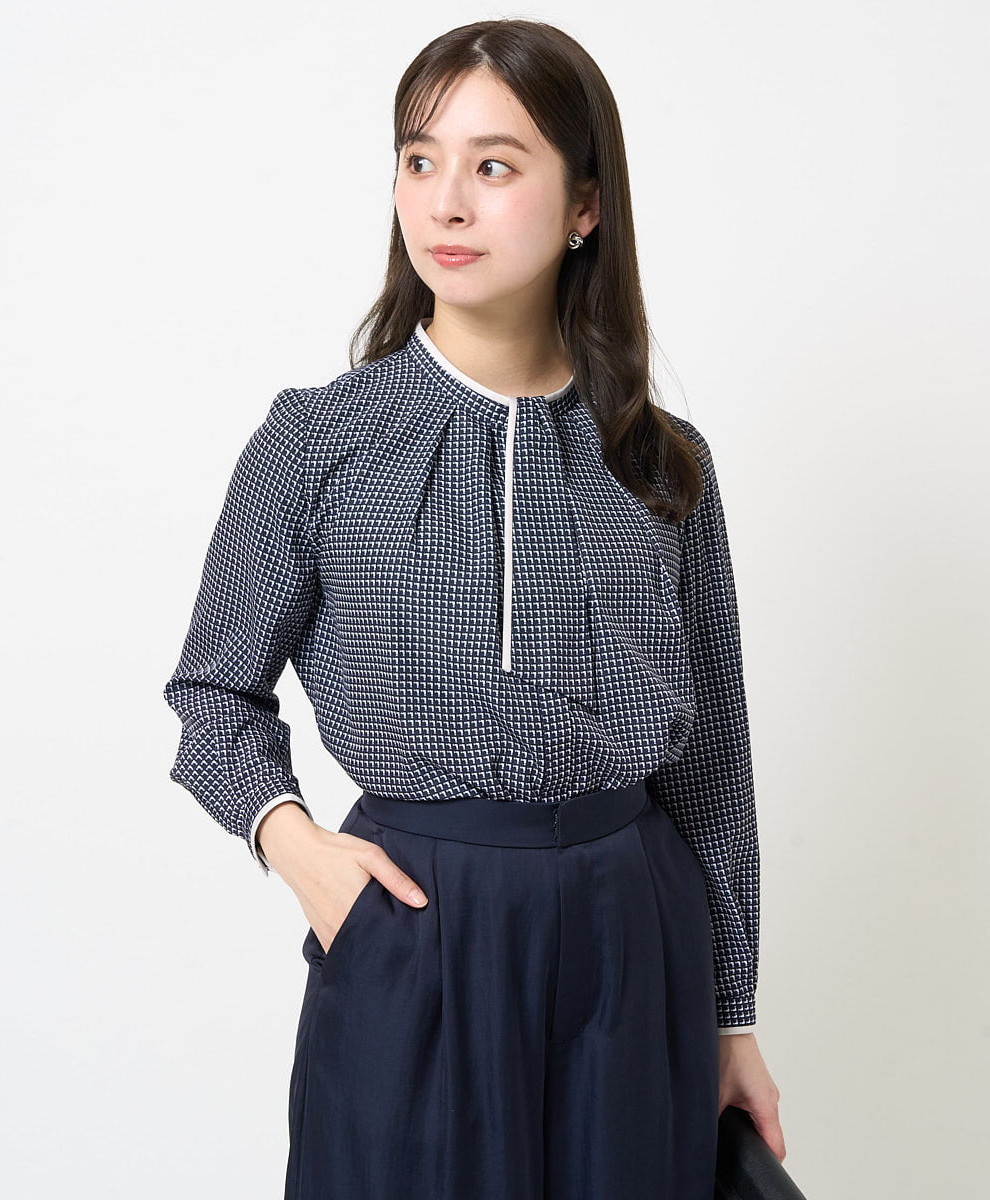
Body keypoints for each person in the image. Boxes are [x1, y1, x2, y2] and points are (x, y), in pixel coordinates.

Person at [163, 17, 785, 1200]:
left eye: (494, 165)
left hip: (632, 937)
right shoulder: (316, 441)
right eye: (419, 159)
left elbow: (712, 764)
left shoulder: (663, 463)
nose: (445, 201)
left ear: (584, 205)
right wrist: (297, 849)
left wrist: (730, 1017)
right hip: (414, 923)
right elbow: (211, 695)